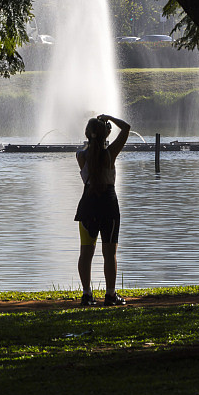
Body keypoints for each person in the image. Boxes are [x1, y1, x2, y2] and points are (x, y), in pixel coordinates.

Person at [74, 114, 130, 306]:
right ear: (106, 133)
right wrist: (109, 119)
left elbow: (91, 149)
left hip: (87, 205)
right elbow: (126, 128)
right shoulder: (109, 154)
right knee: (109, 253)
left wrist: (98, 132)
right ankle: (110, 295)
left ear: (87, 134)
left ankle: (87, 295)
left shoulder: (80, 155)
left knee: (85, 253)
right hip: (108, 204)